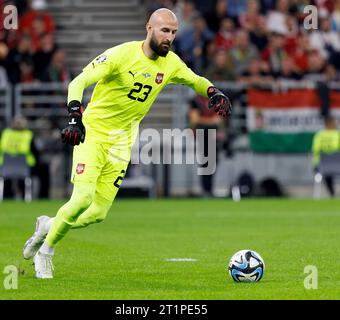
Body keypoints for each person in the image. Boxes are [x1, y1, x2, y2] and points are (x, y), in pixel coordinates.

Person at [22, 8, 232, 279]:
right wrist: (75, 115)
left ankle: (47, 225)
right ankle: (46, 252)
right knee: (82, 199)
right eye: (164, 30)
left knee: (97, 213)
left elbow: (195, 80)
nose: (169, 37)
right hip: (93, 134)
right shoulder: (121, 55)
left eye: (173, 32)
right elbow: (79, 81)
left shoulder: (171, 64)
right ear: (149, 28)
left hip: (122, 143)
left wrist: (214, 92)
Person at [312, 115, 340, 197]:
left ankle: (332, 193)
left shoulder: (319, 135)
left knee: (326, 173)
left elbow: (315, 150)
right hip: (337, 166)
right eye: (335, 123)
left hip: (321, 166)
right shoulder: (337, 135)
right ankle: (333, 193)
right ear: (329, 124)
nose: (336, 124)